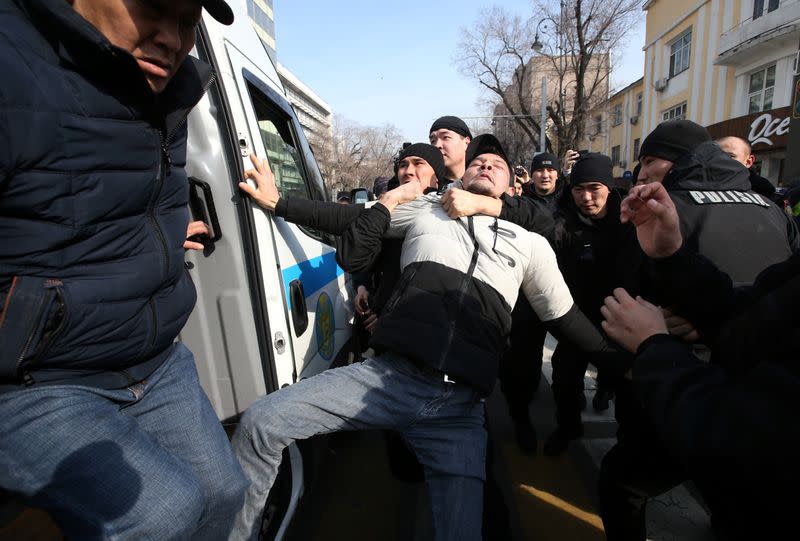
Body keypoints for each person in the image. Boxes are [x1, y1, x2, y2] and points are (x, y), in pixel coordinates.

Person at [230, 135, 618, 540]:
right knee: (261, 422)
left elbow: (565, 318)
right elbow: (349, 218)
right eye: (478, 162)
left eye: (497, 165)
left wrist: (625, 364)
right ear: (462, 175)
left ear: (509, 188)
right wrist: (280, 204)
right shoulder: (425, 212)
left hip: (460, 413)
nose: (486, 166)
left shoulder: (532, 245)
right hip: (386, 381)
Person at [0, 1, 248, 539]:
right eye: (155, 8)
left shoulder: (171, 94)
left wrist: (151, 239)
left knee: (226, 490)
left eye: (187, 23)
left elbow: (106, 196)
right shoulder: (13, 67)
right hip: (37, 377)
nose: (172, 39)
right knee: (159, 513)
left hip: (154, 359)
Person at [599, 118, 800, 539]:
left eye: (650, 159)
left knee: (624, 481)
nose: (642, 172)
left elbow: (626, 301)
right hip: (737, 376)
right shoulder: (773, 209)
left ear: (676, 159)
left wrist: (649, 347)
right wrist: (679, 265)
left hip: (690, 387)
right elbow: (767, 304)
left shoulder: (659, 206)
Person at [542, 153, 636, 456]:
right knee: (565, 380)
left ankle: (607, 398)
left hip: (619, 319)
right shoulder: (562, 223)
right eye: (578, 189)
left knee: (619, 378)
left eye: (594, 188)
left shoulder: (629, 220)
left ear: (609, 187)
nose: (586, 197)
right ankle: (568, 428)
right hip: (576, 319)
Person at [716, 135, 776, 199]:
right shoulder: (705, 183)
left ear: (748, 162)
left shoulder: (762, 188)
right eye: (715, 155)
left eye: (731, 156)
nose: (722, 159)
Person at [428, 115, 472, 188]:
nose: (437, 145)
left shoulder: (482, 180)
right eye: (433, 141)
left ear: (466, 142)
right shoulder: (427, 185)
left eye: (446, 137)